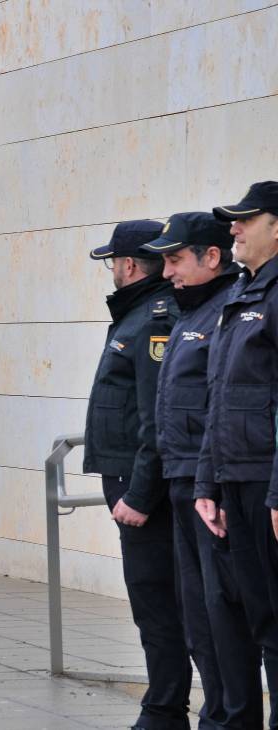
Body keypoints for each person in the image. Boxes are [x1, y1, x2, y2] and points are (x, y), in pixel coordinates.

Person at [144, 213, 263, 728]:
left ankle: (230, 719)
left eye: (175, 260)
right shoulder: (192, 311)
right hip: (184, 480)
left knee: (224, 618)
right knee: (198, 618)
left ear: (211, 257)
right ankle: (216, 715)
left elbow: (225, 406)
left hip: (210, 485)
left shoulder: (229, 308)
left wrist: (210, 481)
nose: (167, 272)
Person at [84, 221, 190, 728]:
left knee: (156, 600)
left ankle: (164, 710)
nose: (112, 271)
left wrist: (142, 496)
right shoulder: (140, 313)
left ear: (128, 265)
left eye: (112, 263)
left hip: (140, 486)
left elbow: (156, 418)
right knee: (157, 600)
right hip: (132, 480)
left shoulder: (153, 318)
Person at [195, 182, 278, 720]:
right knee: (261, 620)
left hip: (267, 485)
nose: (234, 228)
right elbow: (218, 397)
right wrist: (208, 482)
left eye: (246, 219)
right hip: (237, 482)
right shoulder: (241, 294)